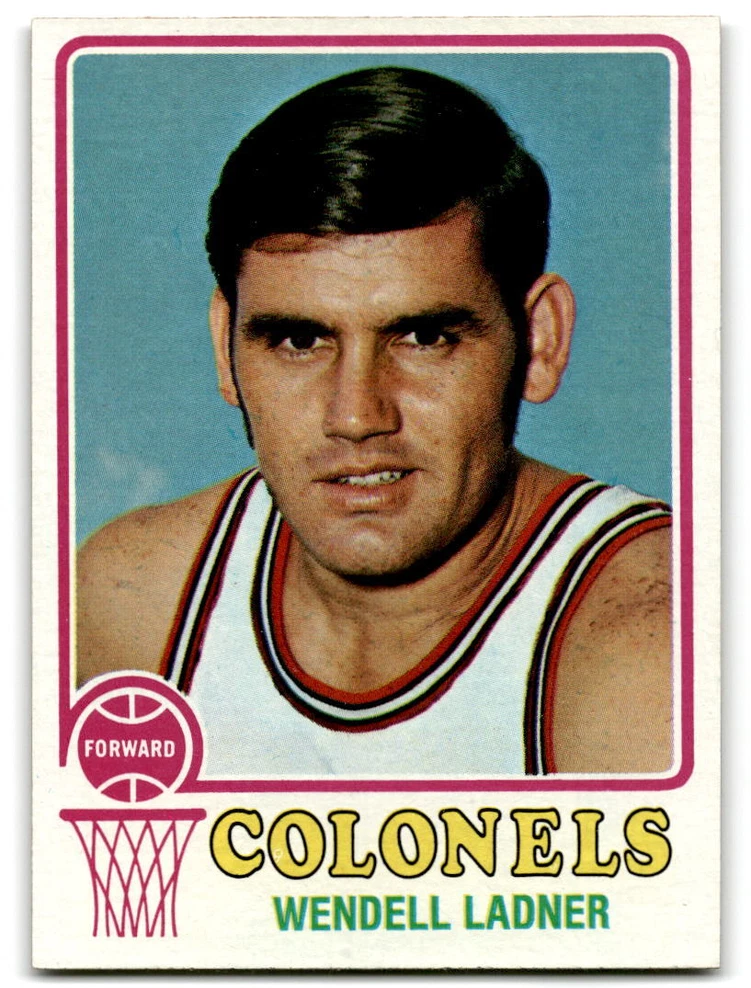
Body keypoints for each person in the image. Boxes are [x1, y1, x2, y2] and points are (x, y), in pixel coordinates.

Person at [76, 67, 672, 776]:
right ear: (225, 346)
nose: (357, 415)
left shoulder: (653, 641)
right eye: (299, 340)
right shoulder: (137, 601)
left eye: (424, 337)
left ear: (539, 341)